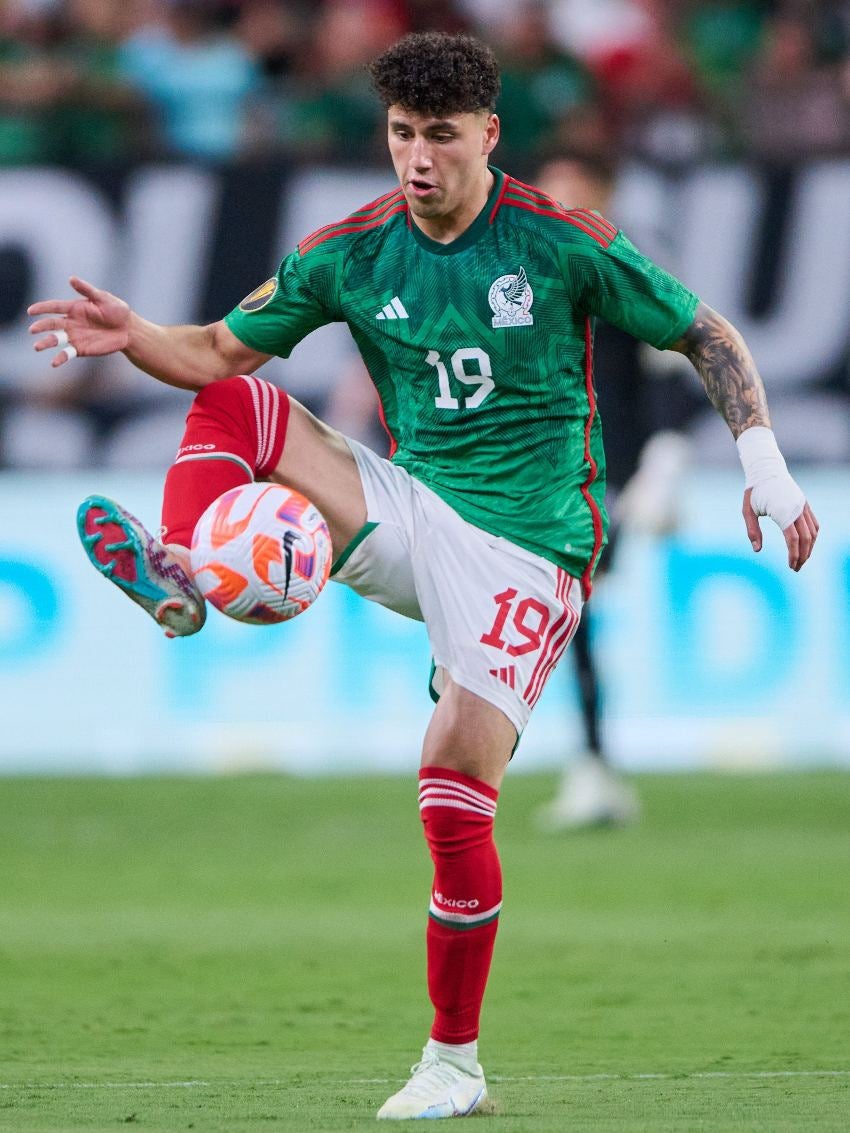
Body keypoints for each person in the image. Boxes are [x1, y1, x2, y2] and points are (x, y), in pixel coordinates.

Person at [28, 31, 818, 1122]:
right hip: (413, 505)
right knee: (241, 407)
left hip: (532, 550)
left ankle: (454, 1060)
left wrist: (763, 468)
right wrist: (135, 335)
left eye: (440, 136)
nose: (418, 159)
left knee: (449, 786)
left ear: (487, 134)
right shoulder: (350, 252)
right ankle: (179, 566)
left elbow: (705, 332)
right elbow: (214, 355)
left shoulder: (559, 240)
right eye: (401, 135)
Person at [531, 151, 698, 830]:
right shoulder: (523, 272)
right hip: (540, 470)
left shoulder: (629, 270)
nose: (559, 198)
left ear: (606, 192)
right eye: (551, 186)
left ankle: (593, 763)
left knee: (572, 610)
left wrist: (662, 463)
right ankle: (594, 762)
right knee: (571, 617)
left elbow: (669, 370)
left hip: (607, 473)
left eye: (575, 186)